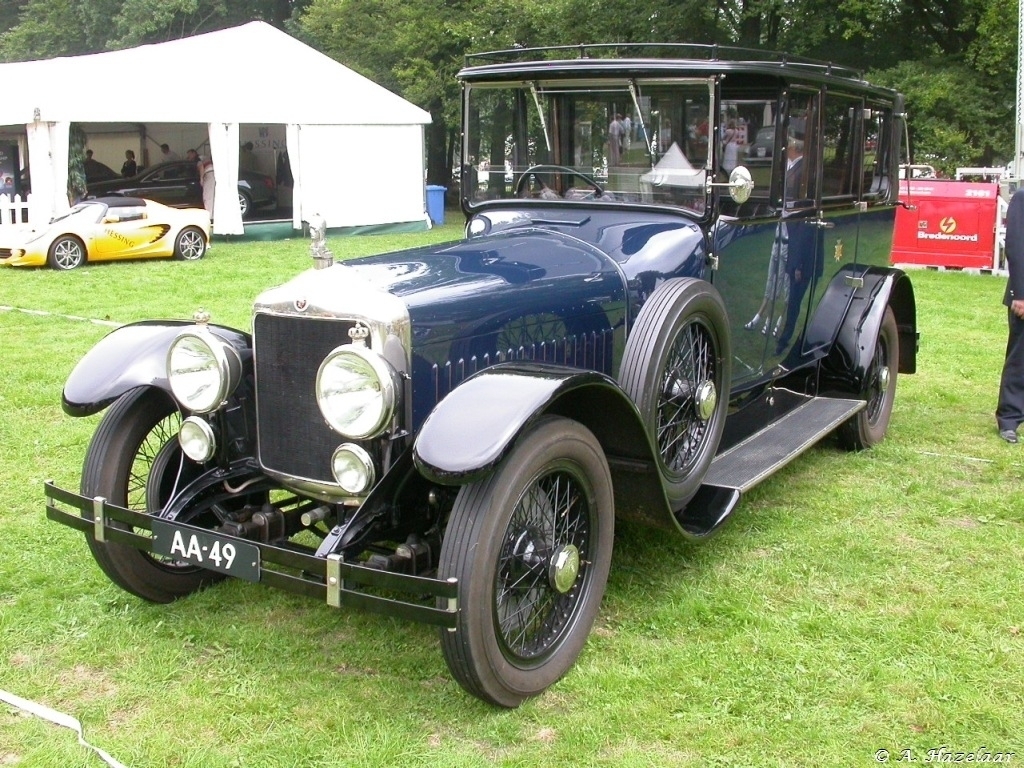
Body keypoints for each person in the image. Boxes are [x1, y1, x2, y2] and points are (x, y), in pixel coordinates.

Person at [745, 135, 805, 336]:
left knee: (785, 284)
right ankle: (761, 317)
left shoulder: (802, 169)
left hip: (790, 237)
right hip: (779, 235)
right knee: (771, 281)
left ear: (793, 147)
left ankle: (777, 320)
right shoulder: (785, 167)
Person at [996, 188, 1024, 443]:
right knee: (1020, 359)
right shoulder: (1022, 198)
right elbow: (1016, 247)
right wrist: (1020, 294)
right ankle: (1009, 419)